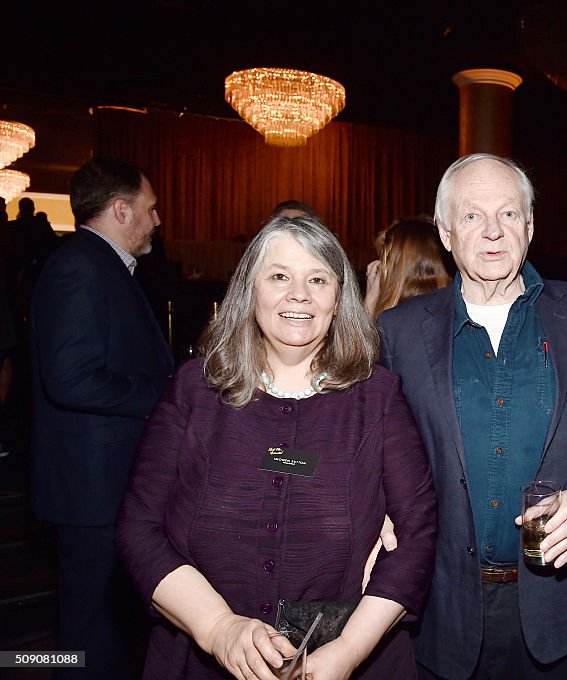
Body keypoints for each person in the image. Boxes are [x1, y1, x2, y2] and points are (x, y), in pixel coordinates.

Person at [116, 215, 437, 680]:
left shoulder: (378, 397)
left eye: (318, 279)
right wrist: (218, 627)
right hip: (199, 663)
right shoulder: (193, 391)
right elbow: (138, 528)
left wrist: (348, 649)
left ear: (338, 298)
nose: (299, 294)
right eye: (280, 276)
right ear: (250, 289)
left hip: (346, 662)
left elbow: (418, 533)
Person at [377, 154, 567, 680]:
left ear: (530, 227)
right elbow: (377, 456)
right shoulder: (398, 333)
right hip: (441, 610)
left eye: (509, 214)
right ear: (445, 233)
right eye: (471, 216)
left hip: (557, 606)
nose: (493, 231)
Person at [29, 157, 175, 678]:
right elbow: (69, 378)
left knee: (106, 624)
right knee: (89, 629)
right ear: (120, 210)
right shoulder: (79, 267)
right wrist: (160, 394)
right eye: (150, 208)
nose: (157, 220)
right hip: (91, 489)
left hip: (104, 485)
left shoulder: (100, 265)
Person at [363, 217, 451, 318]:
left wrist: (369, 303)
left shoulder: (395, 322)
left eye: (382, 260)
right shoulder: (449, 311)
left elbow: (357, 334)